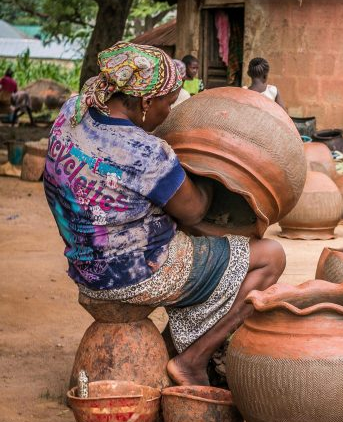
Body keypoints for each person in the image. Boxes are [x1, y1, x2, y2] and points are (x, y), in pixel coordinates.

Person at [43, 42, 285, 386]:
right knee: (269, 256)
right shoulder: (147, 153)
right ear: (145, 102)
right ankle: (191, 360)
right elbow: (195, 208)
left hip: (84, 264)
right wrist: (213, 167)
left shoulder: (73, 111)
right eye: (169, 104)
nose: (169, 112)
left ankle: (174, 344)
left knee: (203, 237)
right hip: (130, 275)